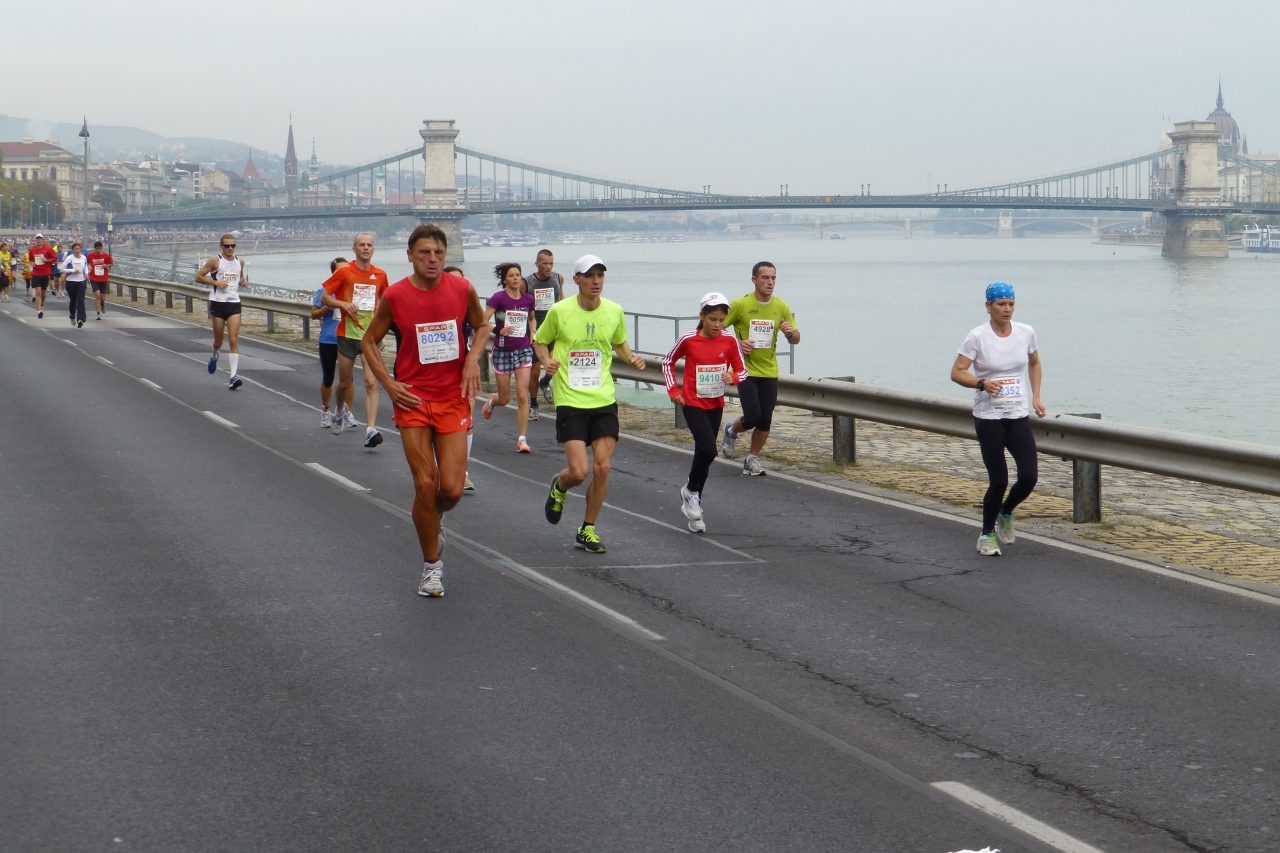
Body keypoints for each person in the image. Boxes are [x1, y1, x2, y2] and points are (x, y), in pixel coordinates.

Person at [361, 224, 489, 597]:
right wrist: (388, 384)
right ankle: (432, 568)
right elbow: (369, 340)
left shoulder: (462, 289)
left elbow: (482, 326)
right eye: (424, 253)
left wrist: (472, 359)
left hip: (452, 398)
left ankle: (434, 516)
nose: (432, 259)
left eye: (438, 253)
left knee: (451, 490)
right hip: (413, 400)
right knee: (425, 484)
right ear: (410, 256)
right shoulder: (396, 295)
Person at [532, 254, 645, 554]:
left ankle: (587, 529)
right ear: (577, 279)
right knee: (579, 473)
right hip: (570, 399)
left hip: (603, 398)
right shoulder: (560, 311)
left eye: (600, 275)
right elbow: (539, 340)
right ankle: (560, 486)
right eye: (589, 276)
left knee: (603, 467)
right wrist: (546, 361)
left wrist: (631, 357)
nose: (596, 281)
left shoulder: (614, 311)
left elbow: (618, 341)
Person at [950, 281, 1045, 557]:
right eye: (1001, 304)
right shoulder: (977, 337)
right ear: (988, 306)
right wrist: (981, 383)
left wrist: (1036, 397)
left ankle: (1006, 511)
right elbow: (957, 372)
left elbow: (1035, 363)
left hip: (1017, 415)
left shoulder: (1026, 332)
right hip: (989, 417)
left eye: (1011, 304)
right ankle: (987, 534)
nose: (1007, 309)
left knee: (1029, 477)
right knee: (999, 480)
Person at [662, 292, 748, 532]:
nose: (717, 325)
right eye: (712, 319)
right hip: (692, 402)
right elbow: (667, 362)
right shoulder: (688, 339)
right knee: (709, 449)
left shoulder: (729, 341)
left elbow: (743, 370)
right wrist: (673, 391)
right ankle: (691, 491)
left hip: (716, 403)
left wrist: (732, 378)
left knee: (704, 454)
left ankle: (694, 508)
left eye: (721, 320)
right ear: (702, 316)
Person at [719, 261, 800, 475]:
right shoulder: (740, 305)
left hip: (769, 371)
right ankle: (731, 431)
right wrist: (738, 343)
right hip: (745, 370)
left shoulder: (781, 306)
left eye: (773, 278)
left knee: (765, 419)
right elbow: (716, 329)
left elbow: (796, 339)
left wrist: (790, 332)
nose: (770, 282)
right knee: (753, 417)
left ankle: (752, 459)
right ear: (754, 280)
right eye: (765, 278)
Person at [319, 233, 390, 447]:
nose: (366, 248)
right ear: (354, 249)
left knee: (371, 382)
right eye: (362, 245)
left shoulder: (380, 275)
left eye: (369, 245)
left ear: (373, 249)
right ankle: (340, 411)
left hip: (370, 337)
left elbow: (387, 300)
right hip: (347, 335)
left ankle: (370, 430)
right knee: (344, 383)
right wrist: (342, 304)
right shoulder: (345, 272)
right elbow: (324, 297)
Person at [482, 262, 536, 453]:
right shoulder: (498, 298)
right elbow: (483, 320)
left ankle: (522, 439)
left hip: (523, 351)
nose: (515, 278)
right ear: (504, 279)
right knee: (504, 398)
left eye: (518, 275)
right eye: (511, 275)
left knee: (522, 395)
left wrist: (533, 332)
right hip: (502, 351)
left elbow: (531, 318)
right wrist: (498, 330)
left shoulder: (528, 299)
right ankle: (493, 401)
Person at [194, 233, 246, 390]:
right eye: (227, 246)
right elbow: (198, 277)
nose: (230, 248)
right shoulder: (215, 260)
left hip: (234, 303)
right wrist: (216, 282)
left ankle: (233, 377)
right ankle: (214, 356)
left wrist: (243, 281)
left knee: (233, 339)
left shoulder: (240, 261)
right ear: (221, 246)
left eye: (233, 245)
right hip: (218, 303)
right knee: (218, 341)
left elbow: (240, 277)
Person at [443, 265, 476, 491]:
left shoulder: (467, 306)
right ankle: (440, 469)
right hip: (435, 374)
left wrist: (473, 357)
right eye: (452, 280)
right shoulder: (431, 306)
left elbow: (482, 326)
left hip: (462, 371)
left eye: (461, 281)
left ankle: (462, 472)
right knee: (441, 426)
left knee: (467, 421)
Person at [523, 248, 564, 420]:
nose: (548, 267)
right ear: (537, 264)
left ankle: (545, 382)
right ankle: (533, 404)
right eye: (545, 263)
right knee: (534, 371)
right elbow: (522, 305)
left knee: (555, 364)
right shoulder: (527, 282)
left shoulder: (558, 278)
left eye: (551, 263)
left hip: (553, 328)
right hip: (535, 329)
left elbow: (562, 300)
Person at [312, 257, 352, 429]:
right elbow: (313, 315)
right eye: (339, 269)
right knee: (328, 378)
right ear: (334, 273)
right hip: (328, 339)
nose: (343, 272)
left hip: (347, 338)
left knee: (348, 379)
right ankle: (326, 410)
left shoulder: (352, 290)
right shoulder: (325, 292)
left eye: (346, 268)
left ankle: (347, 412)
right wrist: (327, 307)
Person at [59, 242, 90, 328]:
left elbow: (86, 266)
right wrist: (73, 270)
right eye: (75, 249)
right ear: (73, 250)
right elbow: (62, 269)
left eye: (78, 249)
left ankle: (80, 319)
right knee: (73, 300)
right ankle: (72, 315)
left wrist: (86, 273)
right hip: (71, 281)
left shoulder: (83, 257)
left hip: (81, 281)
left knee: (80, 300)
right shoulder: (70, 258)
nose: (77, 250)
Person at [27, 234, 57, 319]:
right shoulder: (32, 249)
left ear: (42, 240)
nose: (39, 240)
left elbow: (54, 258)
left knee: (43, 293)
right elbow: (30, 259)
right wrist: (32, 263)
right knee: (38, 291)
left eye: (40, 238)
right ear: (35, 240)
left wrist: (47, 260)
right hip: (36, 273)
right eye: (37, 238)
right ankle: (39, 311)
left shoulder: (48, 249)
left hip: (45, 273)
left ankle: (42, 304)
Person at [87, 240, 114, 319]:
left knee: (102, 297)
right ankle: (98, 313)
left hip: (103, 278)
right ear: (94, 249)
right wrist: (88, 266)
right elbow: (87, 263)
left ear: (101, 248)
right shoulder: (90, 255)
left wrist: (106, 266)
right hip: (94, 278)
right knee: (97, 295)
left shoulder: (106, 255)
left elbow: (111, 263)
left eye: (99, 249)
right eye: (97, 249)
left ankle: (102, 304)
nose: (98, 250)